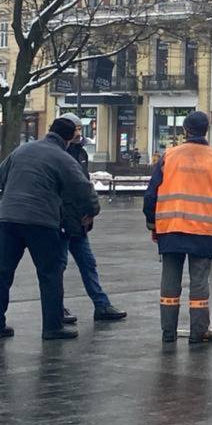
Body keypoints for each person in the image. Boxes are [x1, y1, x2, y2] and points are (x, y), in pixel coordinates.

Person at [143, 110, 212, 346]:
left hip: (171, 228)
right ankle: (198, 333)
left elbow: (151, 195)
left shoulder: (169, 156)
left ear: (185, 130)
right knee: (199, 282)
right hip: (202, 230)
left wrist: (153, 224)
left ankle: (168, 333)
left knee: (170, 281)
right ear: (206, 130)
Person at [0, 117, 100, 340]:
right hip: (41, 222)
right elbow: (82, 189)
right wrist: (92, 211)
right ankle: (52, 327)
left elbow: (1, 175)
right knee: (50, 274)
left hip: (7, 219)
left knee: (3, 273)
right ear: (67, 139)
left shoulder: (22, 150)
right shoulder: (62, 157)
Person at [56, 114, 126, 323]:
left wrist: (87, 212)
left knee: (87, 263)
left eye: (80, 127)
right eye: (75, 128)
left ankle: (101, 305)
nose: (78, 132)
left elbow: (84, 185)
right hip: (60, 219)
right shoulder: (58, 153)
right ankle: (57, 307)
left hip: (78, 220)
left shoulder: (81, 153)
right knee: (58, 265)